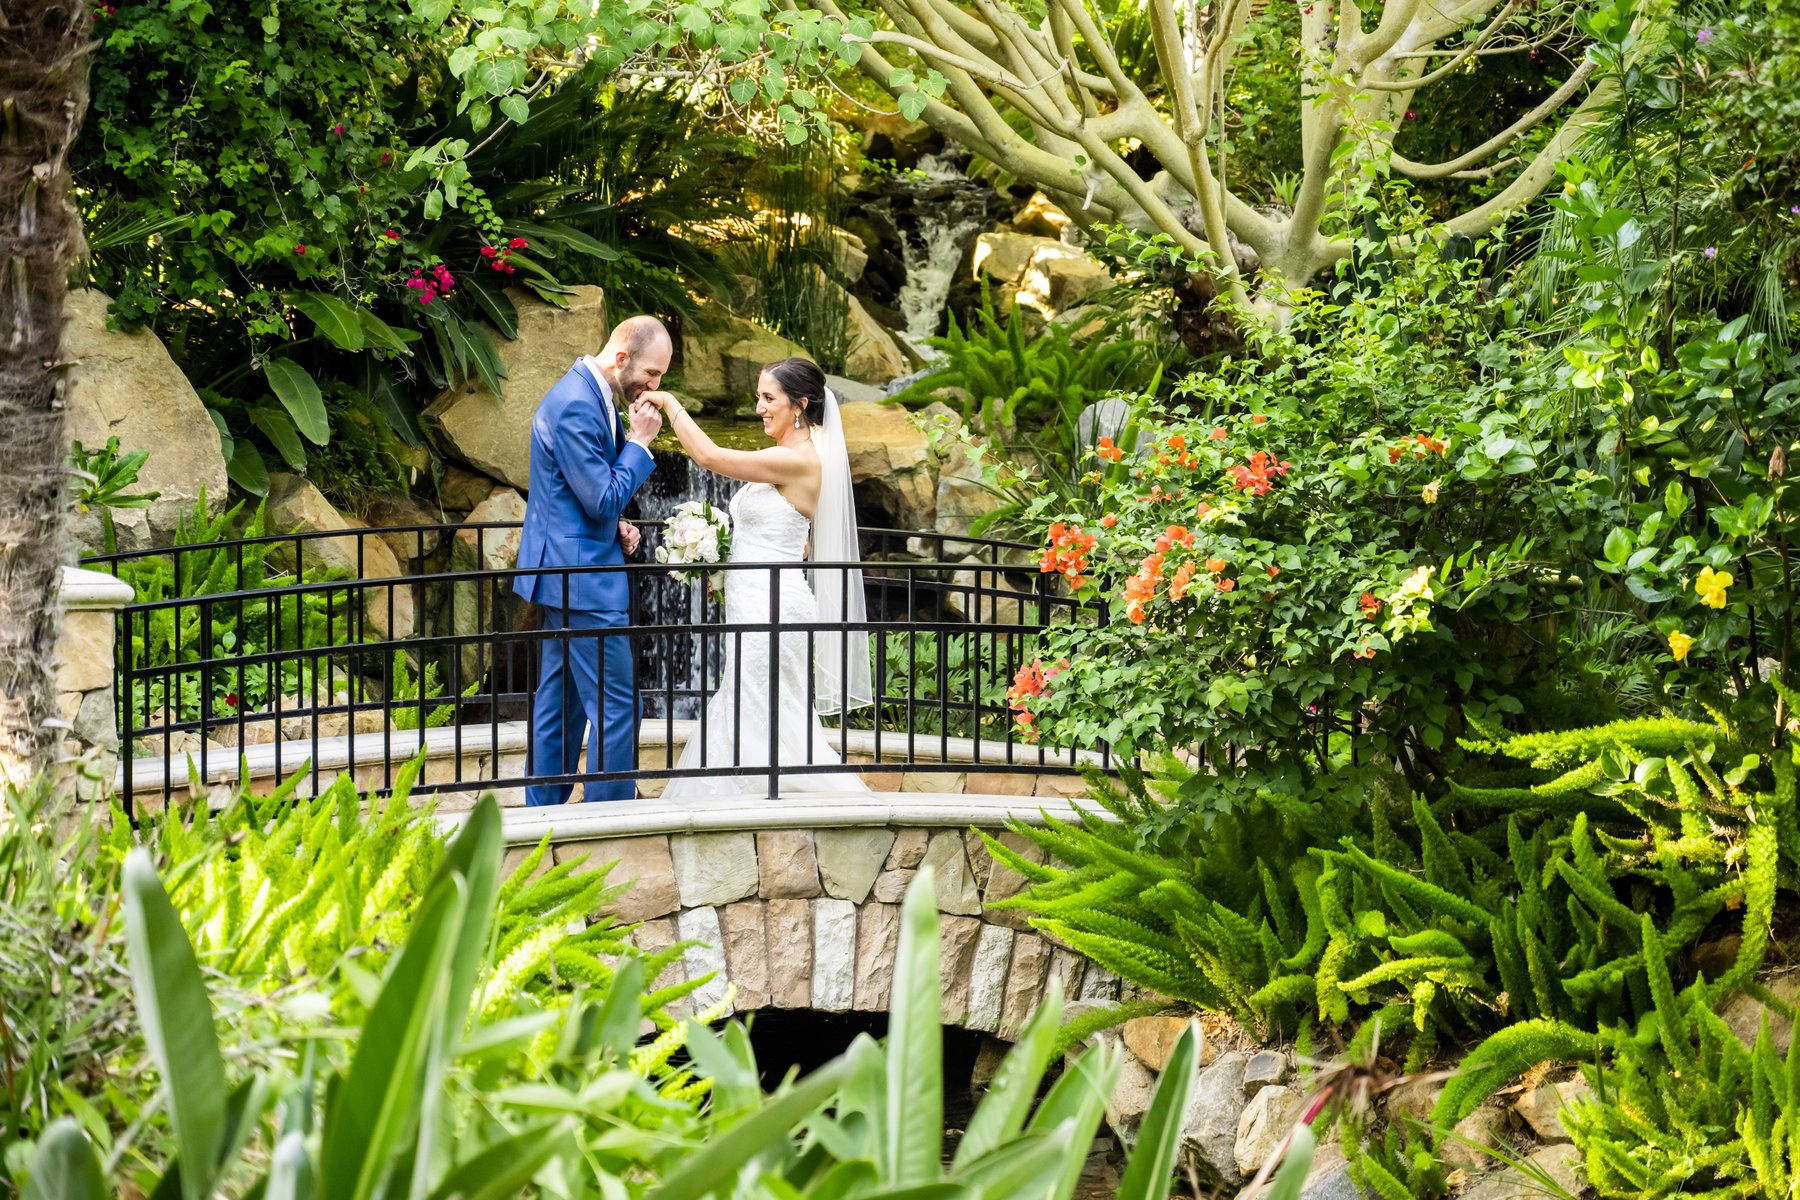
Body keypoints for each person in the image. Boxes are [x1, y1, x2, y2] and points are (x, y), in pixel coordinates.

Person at [642, 357, 874, 797]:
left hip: (772, 603)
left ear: (799, 405)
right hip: (754, 597)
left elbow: (708, 457)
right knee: (754, 704)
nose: (759, 408)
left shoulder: (795, 460)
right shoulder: (789, 457)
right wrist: (720, 561)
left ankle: (771, 801)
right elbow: (791, 538)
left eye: (769, 398)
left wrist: (670, 403)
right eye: (758, 397)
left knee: (759, 707)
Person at [513, 316, 668, 804]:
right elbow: (600, 497)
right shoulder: (577, 402)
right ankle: (610, 817)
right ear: (621, 358)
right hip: (582, 579)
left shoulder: (590, 392)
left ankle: (542, 812)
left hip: (567, 570)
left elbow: (582, 494)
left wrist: (615, 523)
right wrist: (640, 443)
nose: (654, 386)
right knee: (618, 706)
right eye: (651, 373)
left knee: (561, 704)